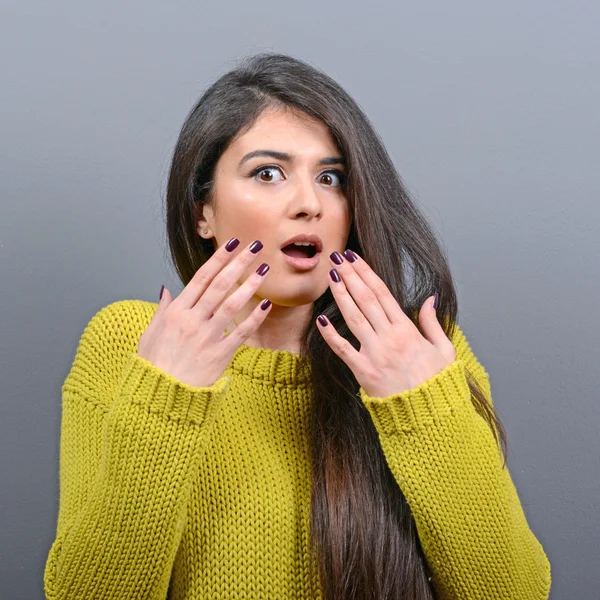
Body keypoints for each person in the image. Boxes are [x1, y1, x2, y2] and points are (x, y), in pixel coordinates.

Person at [43, 53, 551, 600]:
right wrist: (166, 396)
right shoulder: (128, 343)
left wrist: (422, 406)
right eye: (268, 173)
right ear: (202, 213)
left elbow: (514, 591)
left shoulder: (423, 349)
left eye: (331, 178)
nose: (309, 203)